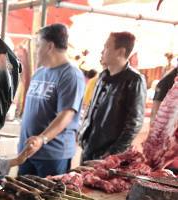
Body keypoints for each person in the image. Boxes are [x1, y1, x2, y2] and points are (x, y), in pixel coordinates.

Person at [18, 24, 85, 177]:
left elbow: (66, 114)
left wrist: (42, 139)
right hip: (27, 151)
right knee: (19, 197)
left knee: (46, 198)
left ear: (49, 46)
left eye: (38, 45)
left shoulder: (70, 75)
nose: (36, 50)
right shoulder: (40, 72)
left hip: (52, 155)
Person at [78, 32, 146, 163]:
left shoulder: (134, 80)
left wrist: (112, 154)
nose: (102, 51)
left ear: (120, 52)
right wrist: (82, 136)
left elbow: (134, 124)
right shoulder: (103, 76)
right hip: (88, 148)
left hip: (107, 157)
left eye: (106, 47)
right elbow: (93, 109)